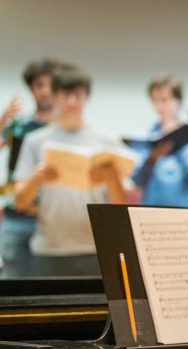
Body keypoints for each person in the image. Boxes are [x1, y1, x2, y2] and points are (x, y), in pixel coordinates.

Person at [13, 64, 127, 276]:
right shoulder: (35, 141)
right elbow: (20, 202)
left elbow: (121, 207)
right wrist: (36, 179)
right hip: (49, 248)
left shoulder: (107, 140)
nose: (72, 102)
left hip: (96, 248)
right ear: (55, 96)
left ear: (87, 97)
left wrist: (112, 179)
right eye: (66, 95)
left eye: (78, 95)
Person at [0, 58, 61, 277]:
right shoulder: (18, 126)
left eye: (50, 85)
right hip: (17, 217)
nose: (45, 91)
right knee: (11, 285)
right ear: (31, 89)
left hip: (52, 220)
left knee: (51, 287)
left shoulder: (65, 130)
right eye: (39, 85)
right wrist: (1, 123)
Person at [130, 74, 188, 207]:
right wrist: (152, 158)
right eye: (155, 101)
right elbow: (137, 182)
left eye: (165, 100)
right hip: (153, 210)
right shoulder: (145, 136)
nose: (159, 107)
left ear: (178, 101)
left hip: (186, 212)